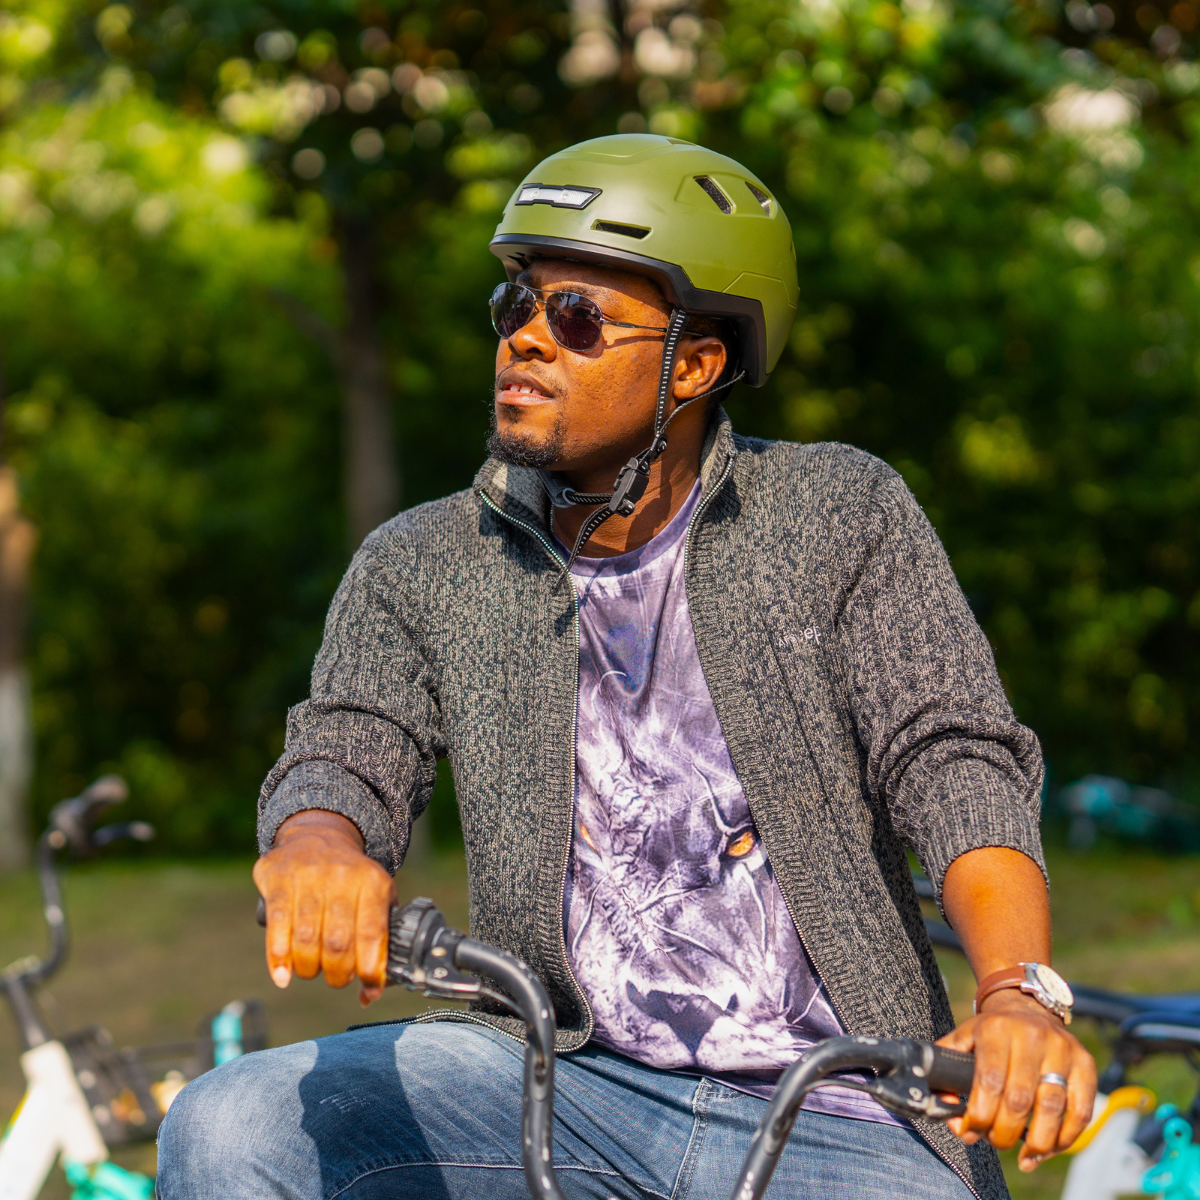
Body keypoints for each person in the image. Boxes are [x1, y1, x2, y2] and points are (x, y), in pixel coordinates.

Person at [157, 135, 1096, 1200]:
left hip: (844, 1111)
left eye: (577, 319)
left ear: (693, 365)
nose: (525, 344)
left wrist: (1019, 993)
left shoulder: (838, 514)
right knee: (234, 1124)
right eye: (515, 306)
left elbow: (954, 756)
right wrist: (318, 846)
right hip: (555, 1076)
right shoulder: (422, 563)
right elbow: (343, 752)